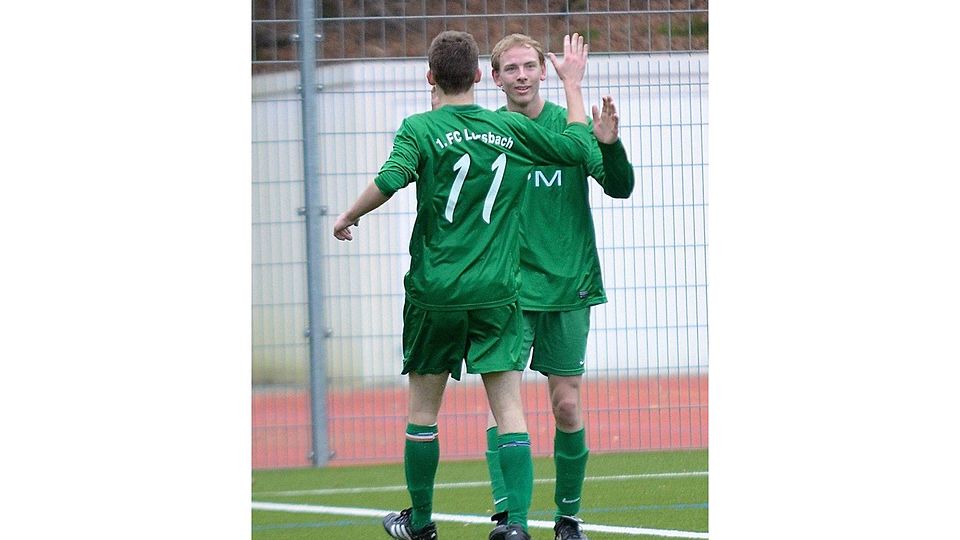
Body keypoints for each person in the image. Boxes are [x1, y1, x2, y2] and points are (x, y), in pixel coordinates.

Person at [333, 30, 612, 540]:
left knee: (422, 412)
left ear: (430, 77)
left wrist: (349, 215)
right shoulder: (506, 128)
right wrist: (573, 89)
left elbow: (392, 178)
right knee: (510, 410)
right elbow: (575, 146)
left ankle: (419, 524)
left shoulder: (418, 129)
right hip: (497, 292)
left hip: (434, 292)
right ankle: (519, 527)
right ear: (483, 76)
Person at [481, 34, 636, 540]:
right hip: (506, 287)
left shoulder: (570, 126)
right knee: (505, 407)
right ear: (495, 76)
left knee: (566, 404)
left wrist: (609, 145)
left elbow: (617, 185)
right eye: (511, 68)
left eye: (529, 65)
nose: (522, 74)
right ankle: (509, 516)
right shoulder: (486, 132)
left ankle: (567, 517)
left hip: (568, 284)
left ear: (543, 73)